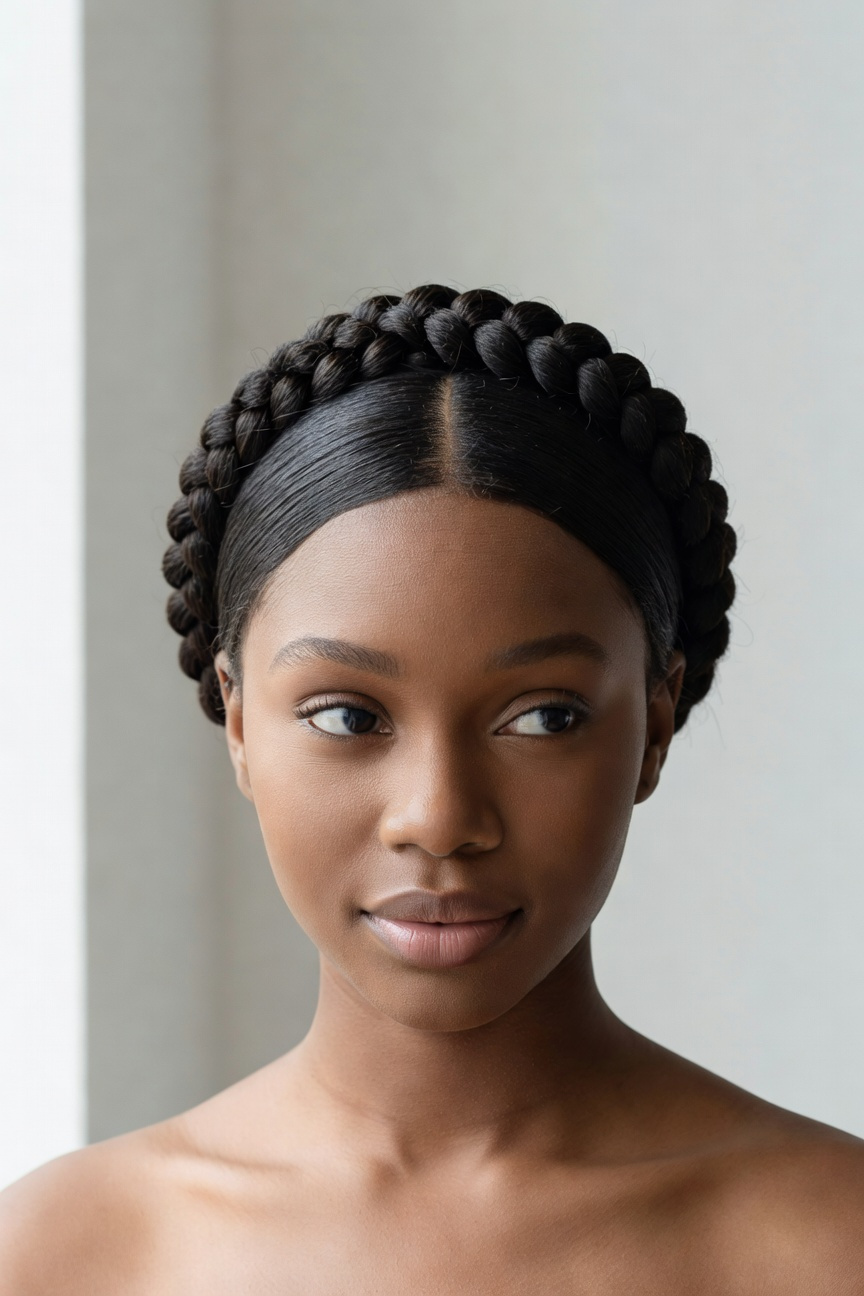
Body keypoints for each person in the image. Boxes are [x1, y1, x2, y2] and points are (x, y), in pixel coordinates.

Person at [2, 284, 862, 1293]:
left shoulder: (832, 1243)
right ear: (239, 721)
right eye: (347, 717)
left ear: (656, 723)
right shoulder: (66, 1256)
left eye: (543, 716)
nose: (440, 819)